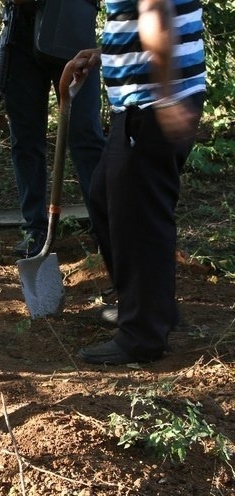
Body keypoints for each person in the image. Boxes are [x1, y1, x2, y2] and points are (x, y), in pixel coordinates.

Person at [73, 0, 206, 364]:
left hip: (151, 103)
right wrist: (107, 53)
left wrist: (163, 96)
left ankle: (142, 335)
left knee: (139, 219)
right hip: (142, 103)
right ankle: (147, 308)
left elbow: (155, 12)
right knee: (104, 197)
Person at [3, 0, 106, 257]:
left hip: (71, 29)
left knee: (85, 137)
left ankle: (107, 229)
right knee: (25, 139)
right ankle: (34, 230)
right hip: (19, 31)